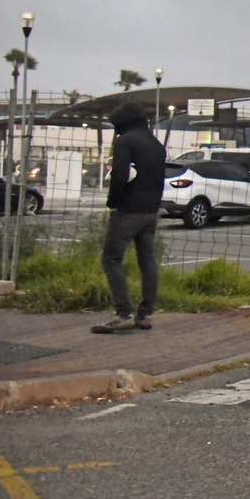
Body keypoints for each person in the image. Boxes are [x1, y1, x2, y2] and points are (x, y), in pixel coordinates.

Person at [91, 103, 167, 334]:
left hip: (128, 210)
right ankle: (145, 315)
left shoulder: (125, 142)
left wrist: (113, 201)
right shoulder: (156, 145)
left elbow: (119, 176)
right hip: (151, 211)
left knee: (111, 259)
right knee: (147, 261)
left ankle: (123, 313)